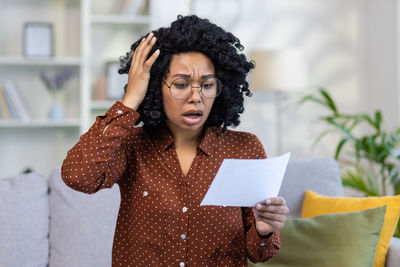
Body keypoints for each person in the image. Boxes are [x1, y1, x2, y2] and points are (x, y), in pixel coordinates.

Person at [61, 14, 289, 266]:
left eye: (207, 85)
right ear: (155, 86)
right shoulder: (131, 145)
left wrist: (264, 229)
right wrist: (130, 99)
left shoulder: (245, 148)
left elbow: (260, 253)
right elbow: (78, 176)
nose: (196, 96)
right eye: (181, 85)